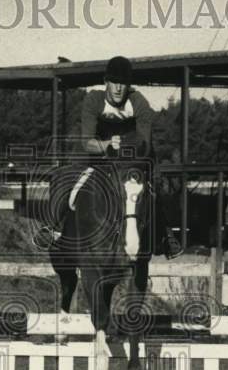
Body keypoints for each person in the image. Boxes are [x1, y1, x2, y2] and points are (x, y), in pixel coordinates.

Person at [35, 55, 183, 258]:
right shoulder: (94, 100)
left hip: (134, 156)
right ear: (106, 82)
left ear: (128, 85)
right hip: (98, 154)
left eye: (123, 83)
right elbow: (87, 142)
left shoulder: (139, 102)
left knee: (152, 187)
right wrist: (106, 145)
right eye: (114, 83)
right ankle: (50, 227)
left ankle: (166, 237)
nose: (118, 88)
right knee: (63, 177)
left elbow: (144, 143)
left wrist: (123, 150)